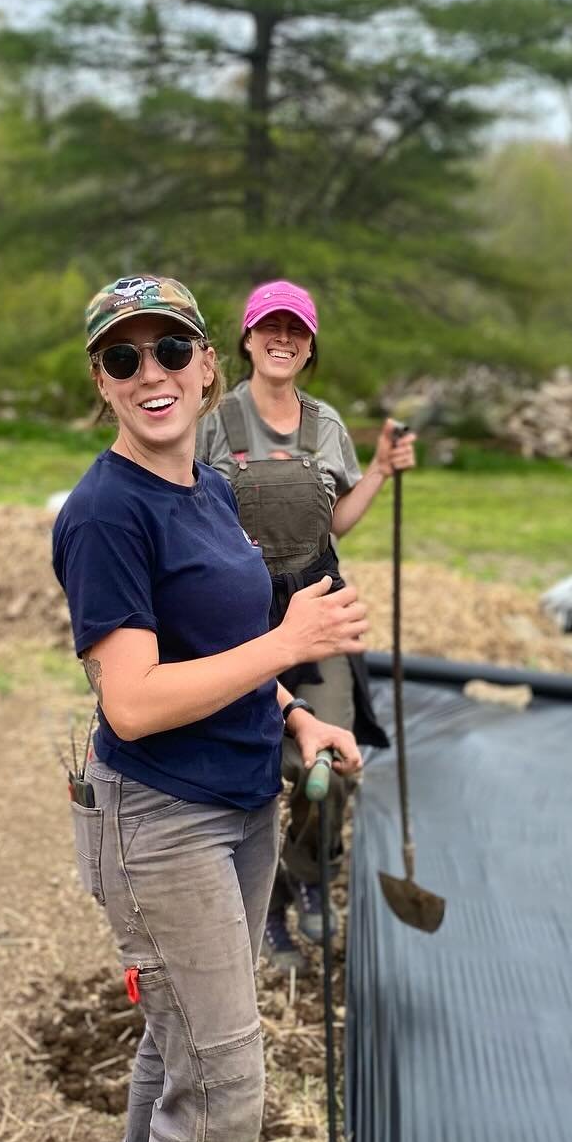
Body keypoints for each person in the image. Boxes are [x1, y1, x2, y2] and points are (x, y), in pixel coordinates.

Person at [51, 272, 365, 1142]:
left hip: (242, 802)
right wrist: (292, 642)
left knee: (179, 1041)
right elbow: (129, 702)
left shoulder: (213, 488)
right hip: (162, 819)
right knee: (226, 1092)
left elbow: (225, 641)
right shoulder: (107, 513)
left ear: (205, 365)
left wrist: (294, 713)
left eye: (167, 351)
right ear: (102, 383)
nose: (151, 376)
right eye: (122, 360)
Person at [197, 279, 415, 971]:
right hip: (243, 618)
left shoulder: (326, 427)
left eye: (296, 329)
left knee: (335, 767)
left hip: (319, 611)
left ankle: (303, 880)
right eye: (270, 327)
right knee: (261, 770)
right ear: (248, 338)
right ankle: (258, 912)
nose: (282, 339)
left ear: (310, 343)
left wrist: (379, 471)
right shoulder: (213, 424)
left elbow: (335, 521)